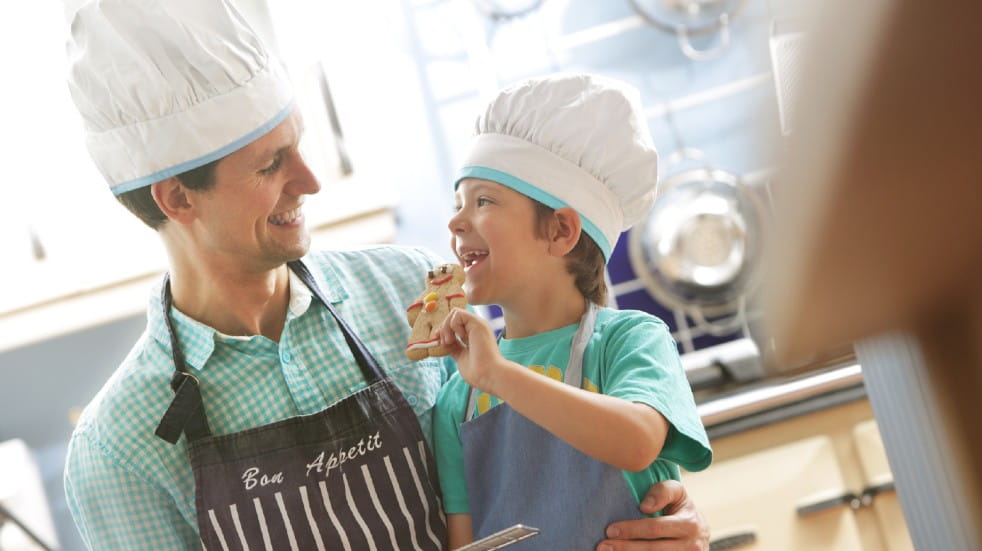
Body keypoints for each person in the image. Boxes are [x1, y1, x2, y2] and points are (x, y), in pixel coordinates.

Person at [61, 1, 711, 549]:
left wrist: (656, 514)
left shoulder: (405, 291)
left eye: (301, 144)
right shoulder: (118, 451)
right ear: (178, 199)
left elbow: (538, 456)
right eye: (270, 165)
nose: (312, 181)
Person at [432, 74, 713, 550]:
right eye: (458, 203)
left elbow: (636, 441)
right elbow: (464, 541)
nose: (455, 221)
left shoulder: (629, 339)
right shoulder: (457, 399)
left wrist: (499, 376)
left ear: (560, 231)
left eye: (482, 201)